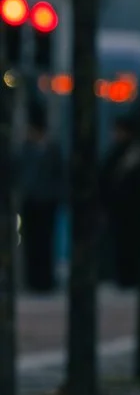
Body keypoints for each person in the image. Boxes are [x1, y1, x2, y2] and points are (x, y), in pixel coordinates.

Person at [16, 114, 63, 293]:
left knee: (46, 241)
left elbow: (58, 175)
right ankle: (33, 280)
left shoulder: (52, 149)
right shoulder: (26, 149)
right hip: (31, 201)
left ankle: (45, 280)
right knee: (32, 243)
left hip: (47, 202)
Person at [103, 115, 140, 288]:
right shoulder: (121, 153)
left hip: (129, 208)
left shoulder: (129, 153)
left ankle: (128, 277)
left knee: (128, 244)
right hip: (122, 209)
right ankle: (125, 277)